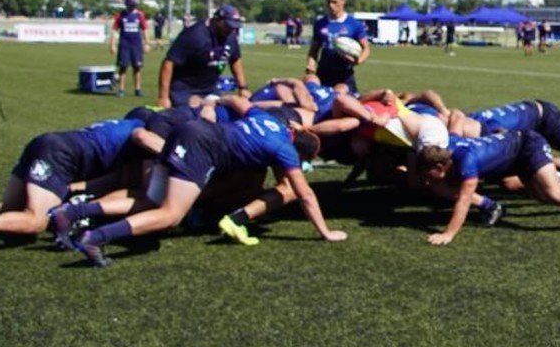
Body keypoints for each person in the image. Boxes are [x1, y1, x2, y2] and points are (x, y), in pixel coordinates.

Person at [58, 99, 347, 268]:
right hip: (202, 146)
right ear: (300, 152)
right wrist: (325, 231)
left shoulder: (268, 120)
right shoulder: (284, 149)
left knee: (150, 200)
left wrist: (213, 102)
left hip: (188, 129)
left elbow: (239, 102)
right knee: (171, 215)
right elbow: (304, 193)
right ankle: (96, 238)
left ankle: (71, 214)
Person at [0, 116, 151, 260]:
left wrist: (75, 188)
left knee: (8, 210)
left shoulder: (124, 123)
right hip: (59, 154)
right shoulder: (143, 131)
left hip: (46, 143)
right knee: (35, 222)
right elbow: (130, 160)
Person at [414, 130, 560, 246]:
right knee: (543, 196)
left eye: (427, 172)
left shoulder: (467, 162)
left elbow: (465, 200)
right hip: (514, 155)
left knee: (553, 193)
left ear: (441, 166)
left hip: (528, 145)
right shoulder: (445, 147)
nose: (425, 177)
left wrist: (448, 234)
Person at [157, 6, 248, 107]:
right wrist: (163, 97)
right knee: (189, 119)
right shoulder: (194, 35)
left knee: (219, 116)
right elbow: (169, 62)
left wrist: (243, 87)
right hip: (184, 89)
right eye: (228, 26)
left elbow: (235, 59)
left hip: (210, 88)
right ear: (217, 20)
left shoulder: (230, 36)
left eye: (234, 27)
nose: (231, 29)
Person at [306, 0, 371, 92]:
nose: (331, 5)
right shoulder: (319, 24)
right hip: (323, 74)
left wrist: (359, 60)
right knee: (322, 107)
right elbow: (313, 50)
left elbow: (366, 48)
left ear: (343, 0)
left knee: (346, 104)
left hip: (344, 76)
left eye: (334, 2)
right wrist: (311, 63)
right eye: (328, 2)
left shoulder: (354, 24)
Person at [109, 0, 150, 97]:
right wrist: (112, 44)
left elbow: (145, 29)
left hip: (136, 45)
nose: (132, 7)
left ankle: (138, 89)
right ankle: (121, 90)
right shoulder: (121, 15)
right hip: (124, 45)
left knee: (137, 67)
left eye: (134, 5)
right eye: (130, 5)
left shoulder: (139, 15)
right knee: (123, 67)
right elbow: (114, 30)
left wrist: (147, 43)